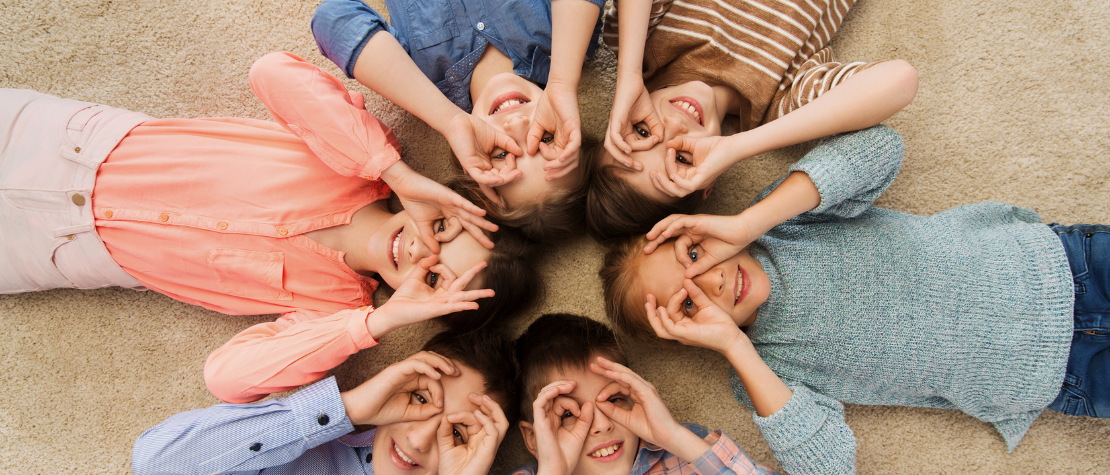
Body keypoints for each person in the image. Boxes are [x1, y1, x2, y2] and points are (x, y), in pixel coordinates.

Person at [0, 51, 540, 404]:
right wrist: (395, 172)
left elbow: (227, 378)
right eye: (444, 231)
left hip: (47, 251)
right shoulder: (361, 160)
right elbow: (271, 73)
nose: (424, 251)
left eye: (439, 279)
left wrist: (376, 325)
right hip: (62, 144)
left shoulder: (335, 311)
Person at [599, 125, 1110, 474]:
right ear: (687, 336)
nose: (709, 281)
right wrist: (734, 346)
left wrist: (748, 223)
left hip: (1060, 262)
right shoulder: (765, 373)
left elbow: (881, 147)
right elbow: (830, 466)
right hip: (1064, 373)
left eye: (693, 254)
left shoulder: (782, 222)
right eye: (687, 304)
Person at [586, 0, 918, 240]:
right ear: (709, 179)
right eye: (682, 156)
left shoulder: (640, 38)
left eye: (643, 131)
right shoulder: (783, 104)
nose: (674, 127)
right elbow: (900, 80)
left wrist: (629, 72)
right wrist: (738, 146)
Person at [313, 0, 604, 241]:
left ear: (471, 165)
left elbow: (333, 18)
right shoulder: (565, 40)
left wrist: (451, 121)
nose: (516, 125)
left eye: (502, 153)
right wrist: (564, 81)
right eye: (546, 138)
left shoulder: (418, 86)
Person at [132, 329, 517, 475]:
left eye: (459, 434)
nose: (418, 440)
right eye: (421, 399)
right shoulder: (305, 449)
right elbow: (155, 464)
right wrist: (348, 407)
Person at [509, 313, 778, 475]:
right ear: (533, 438)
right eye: (569, 414)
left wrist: (673, 436)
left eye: (613, 400)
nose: (602, 425)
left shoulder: (684, 450)